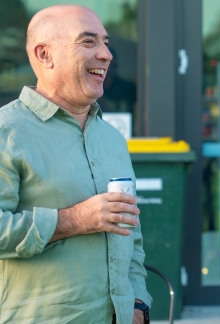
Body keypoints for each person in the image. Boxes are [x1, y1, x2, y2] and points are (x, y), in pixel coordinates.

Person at [0, 5, 151, 324]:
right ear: (44, 55)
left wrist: (137, 302)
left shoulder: (112, 138)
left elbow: (131, 233)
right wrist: (74, 220)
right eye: (88, 41)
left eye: (106, 42)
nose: (106, 54)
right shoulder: (7, 132)